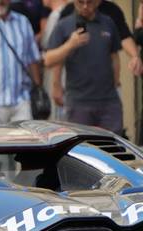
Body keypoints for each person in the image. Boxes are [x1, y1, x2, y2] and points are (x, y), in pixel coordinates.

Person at [45, 0, 122, 133]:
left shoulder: (108, 22)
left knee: (112, 143)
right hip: (78, 102)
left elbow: (114, 57)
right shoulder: (64, 25)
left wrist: (115, 84)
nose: (85, 6)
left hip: (108, 101)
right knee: (81, 144)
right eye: (81, 2)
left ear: (97, 2)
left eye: (89, 2)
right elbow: (49, 60)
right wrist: (70, 45)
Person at [59, 0, 142, 75]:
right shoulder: (68, 11)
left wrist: (134, 56)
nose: (85, 6)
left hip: (105, 75)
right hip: (75, 75)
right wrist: (56, 82)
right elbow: (57, 48)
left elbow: (124, 36)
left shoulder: (111, 10)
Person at [41, 0, 69, 119]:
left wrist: (56, 85)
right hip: (66, 79)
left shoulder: (57, 15)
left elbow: (52, 51)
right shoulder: (67, 12)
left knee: (59, 121)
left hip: (58, 76)